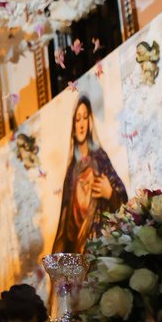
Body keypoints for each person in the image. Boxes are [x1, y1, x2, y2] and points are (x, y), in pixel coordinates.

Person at [51, 95, 127, 254]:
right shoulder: (71, 171)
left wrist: (110, 194)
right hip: (78, 251)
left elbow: (123, 202)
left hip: (101, 246)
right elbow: (63, 223)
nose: (81, 124)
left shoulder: (100, 158)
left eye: (85, 118)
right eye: (77, 119)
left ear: (90, 121)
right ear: (73, 126)